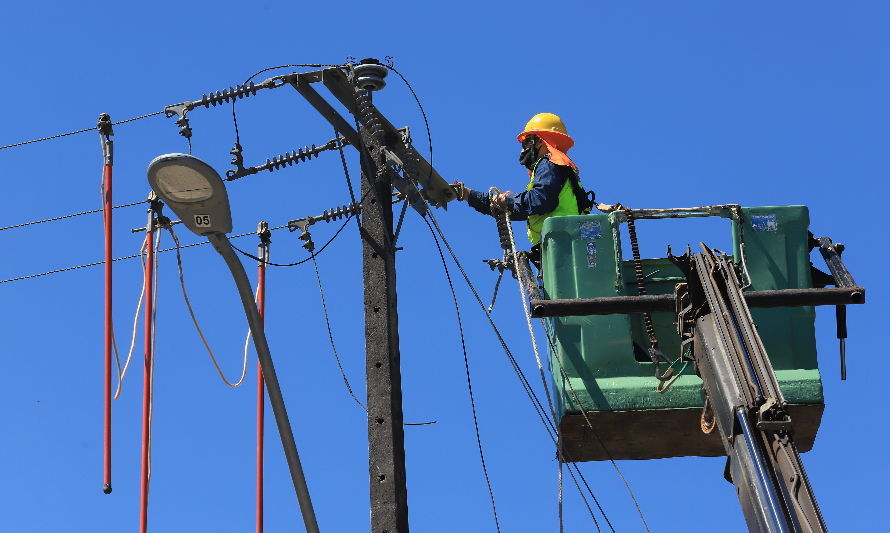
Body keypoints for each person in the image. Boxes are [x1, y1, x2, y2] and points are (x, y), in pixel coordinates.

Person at [452, 113, 611, 248]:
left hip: (560, 246)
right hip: (564, 244)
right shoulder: (560, 168)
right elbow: (523, 209)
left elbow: (538, 200)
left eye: (525, 143)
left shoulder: (549, 164)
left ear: (540, 141)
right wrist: (468, 195)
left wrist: (508, 201)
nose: (523, 149)